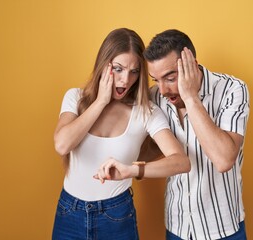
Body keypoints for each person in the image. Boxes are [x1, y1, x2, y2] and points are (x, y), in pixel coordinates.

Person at [51, 28, 191, 240]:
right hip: (70, 212)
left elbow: (181, 162)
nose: (125, 80)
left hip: (116, 215)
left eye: (134, 71)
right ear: (103, 65)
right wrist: (100, 102)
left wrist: (132, 170)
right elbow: (62, 145)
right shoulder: (75, 98)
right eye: (118, 69)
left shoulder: (146, 112)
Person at [141, 29, 250, 240]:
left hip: (223, 227)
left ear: (192, 64)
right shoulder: (157, 96)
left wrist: (191, 97)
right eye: (156, 80)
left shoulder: (232, 89)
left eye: (170, 78)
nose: (162, 90)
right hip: (177, 226)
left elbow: (223, 159)